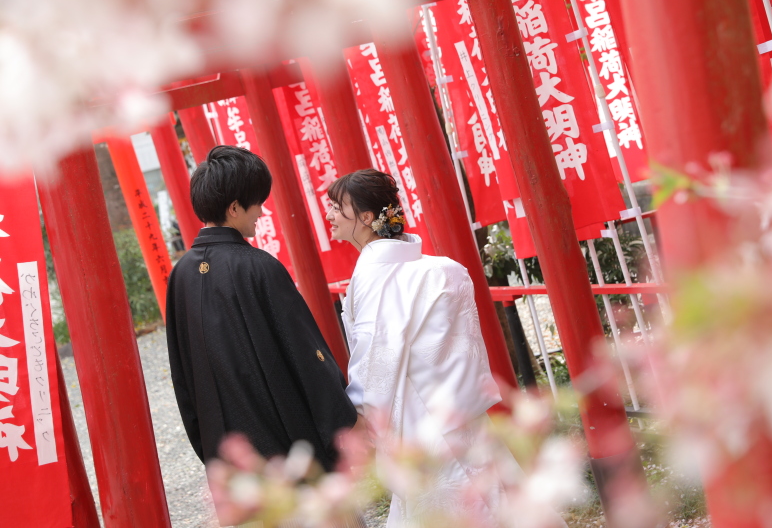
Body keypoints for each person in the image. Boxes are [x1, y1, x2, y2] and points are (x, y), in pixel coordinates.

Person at [326, 169, 513, 527]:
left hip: (416, 411)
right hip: (457, 404)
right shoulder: (441, 269)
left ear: (366, 218)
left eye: (338, 208)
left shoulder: (376, 275)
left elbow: (375, 354)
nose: (330, 215)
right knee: (484, 490)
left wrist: (362, 414)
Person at [166, 145, 358, 475]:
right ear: (235, 207)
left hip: (228, 456)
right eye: (257, 202)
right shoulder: (258, 267)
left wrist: (209, 448)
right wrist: (344, 420)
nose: (261, 211)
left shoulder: (180, 275)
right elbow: (307, 354)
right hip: (287, 445)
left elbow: (182, 374)